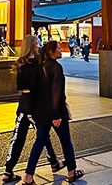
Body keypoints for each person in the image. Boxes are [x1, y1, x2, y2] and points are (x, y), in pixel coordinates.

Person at [2, 36, 64, 183]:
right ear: (32, 46)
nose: (39, 45)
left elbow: (21, 86)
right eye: (37, 43)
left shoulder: (20, 63)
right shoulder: (38, 63)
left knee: (18, 138)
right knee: (42, 136)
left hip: (23, 105)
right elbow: (40, 85)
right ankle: (51, 164)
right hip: (35, 107)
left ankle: (8, 171)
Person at [22, 41, 84, 184]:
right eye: (57, 49)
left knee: (39, 143)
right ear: (51, 52)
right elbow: (57, 92)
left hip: (40, 112)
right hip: (55, 111)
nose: (60, 50)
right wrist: (56, 114)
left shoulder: (40, 65)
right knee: (66, 141)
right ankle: (71, 172)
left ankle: (28, 176)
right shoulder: (56, 67)